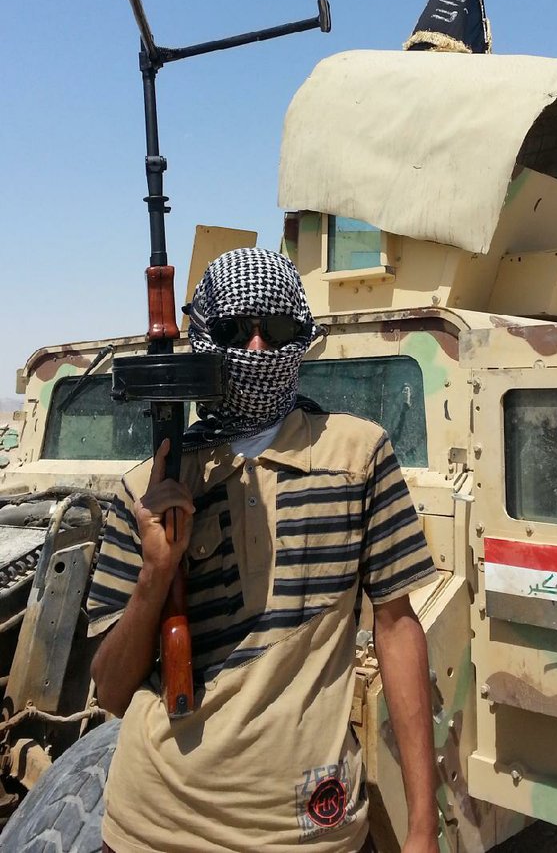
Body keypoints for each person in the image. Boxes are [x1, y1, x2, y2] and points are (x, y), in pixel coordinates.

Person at [88, 247, 439, 853]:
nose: (255, 349)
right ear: (201, 341)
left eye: (274, 329)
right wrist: (155, 573)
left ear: (301, 336)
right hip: (154, 824)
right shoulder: (146, 491)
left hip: (308, 826)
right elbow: (112, 693)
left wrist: (421, 828)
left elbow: (398, 626)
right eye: (233, 330)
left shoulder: (358, 458)